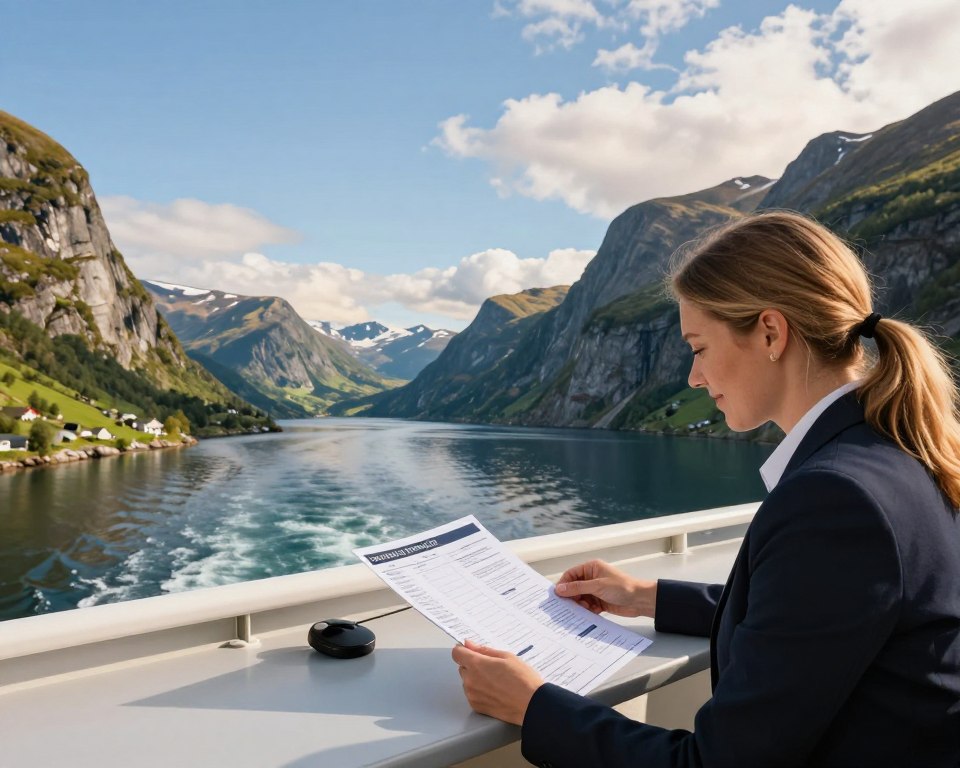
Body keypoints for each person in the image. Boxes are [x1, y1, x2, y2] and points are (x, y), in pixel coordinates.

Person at [452, 210, 960, 767]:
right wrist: (650, 597)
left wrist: (533, 707)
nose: (694, 378)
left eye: (698, 347)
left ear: (770, 332)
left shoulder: (838, 498)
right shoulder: (901, 452)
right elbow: (816, 614)